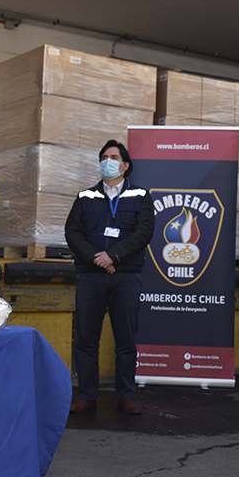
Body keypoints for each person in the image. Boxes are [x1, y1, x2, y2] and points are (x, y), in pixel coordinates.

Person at [64, 140, 155, 415]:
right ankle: (88, 395)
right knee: (86, 339)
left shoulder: (141, 195)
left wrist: (113, 257)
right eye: (104, 157)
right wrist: (97, 258)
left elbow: (144, 232)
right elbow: (72, 232)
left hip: (125, 277)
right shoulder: (85, 197)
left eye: (114, 157)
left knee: (126, 340)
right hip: (91, 277)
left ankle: (126, 395)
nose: (108, 161)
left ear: (126, 165)